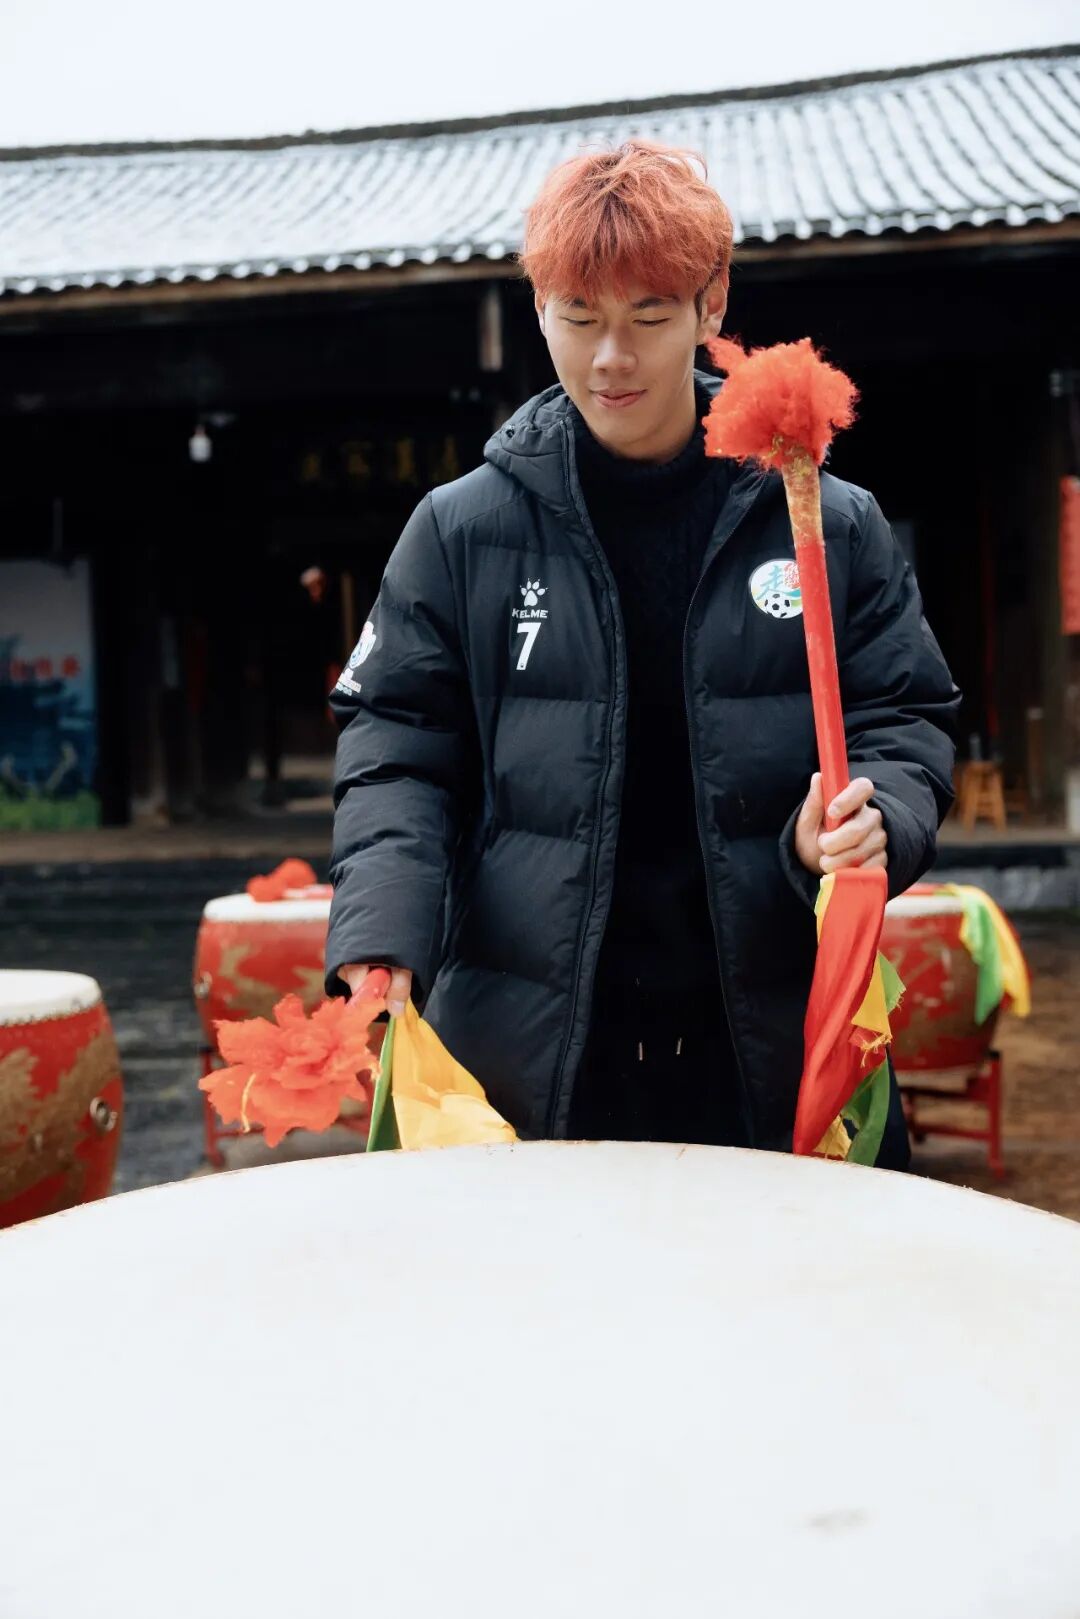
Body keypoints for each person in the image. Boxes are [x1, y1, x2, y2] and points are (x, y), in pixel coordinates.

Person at [325, 141, 959, 1166]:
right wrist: (382, 932)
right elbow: (398, 746)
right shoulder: (459, 531)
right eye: (577, 318)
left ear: (712, 305)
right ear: (539, 307)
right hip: (528, 1047)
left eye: (648, 318)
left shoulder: (824, 520)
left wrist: (872, 814)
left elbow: (906, 712)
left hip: (769, 1032)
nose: (609, 359)